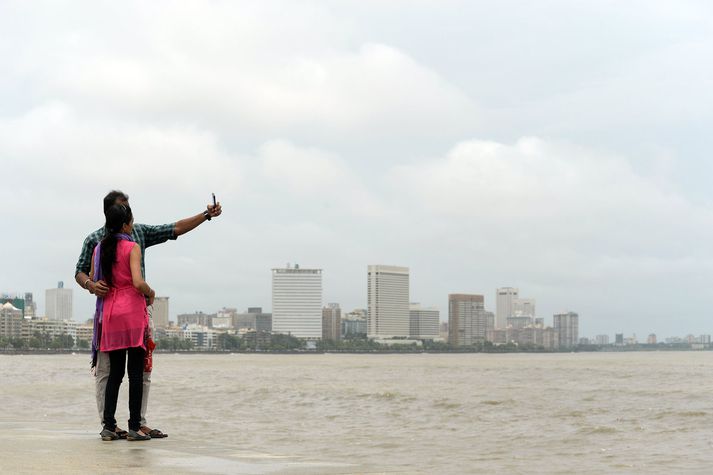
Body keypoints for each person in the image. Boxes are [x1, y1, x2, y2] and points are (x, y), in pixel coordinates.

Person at [74, 190, 222, 439]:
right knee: (113, 371)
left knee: (131, 372)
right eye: (125, 208)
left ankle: (121, 424)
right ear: (115, 214)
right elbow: (81, 272)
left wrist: (206, 214)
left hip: (113, 313)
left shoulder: (132, 234)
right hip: (130, 310)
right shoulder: (103, 241)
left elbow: (173, 228)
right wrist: (90, 284)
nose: (130, 213)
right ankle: (122, 425)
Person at [92, 204, 152, 441]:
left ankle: (108, 426)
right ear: (126, 224)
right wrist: (151, 291)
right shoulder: (132, 247)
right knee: (135, 373)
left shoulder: (99, 248)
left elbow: (95, 279)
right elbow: (138, 283)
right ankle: (135, 427)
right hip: (132, 313)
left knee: (115, 373)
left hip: (110, 313)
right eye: (132, 221)